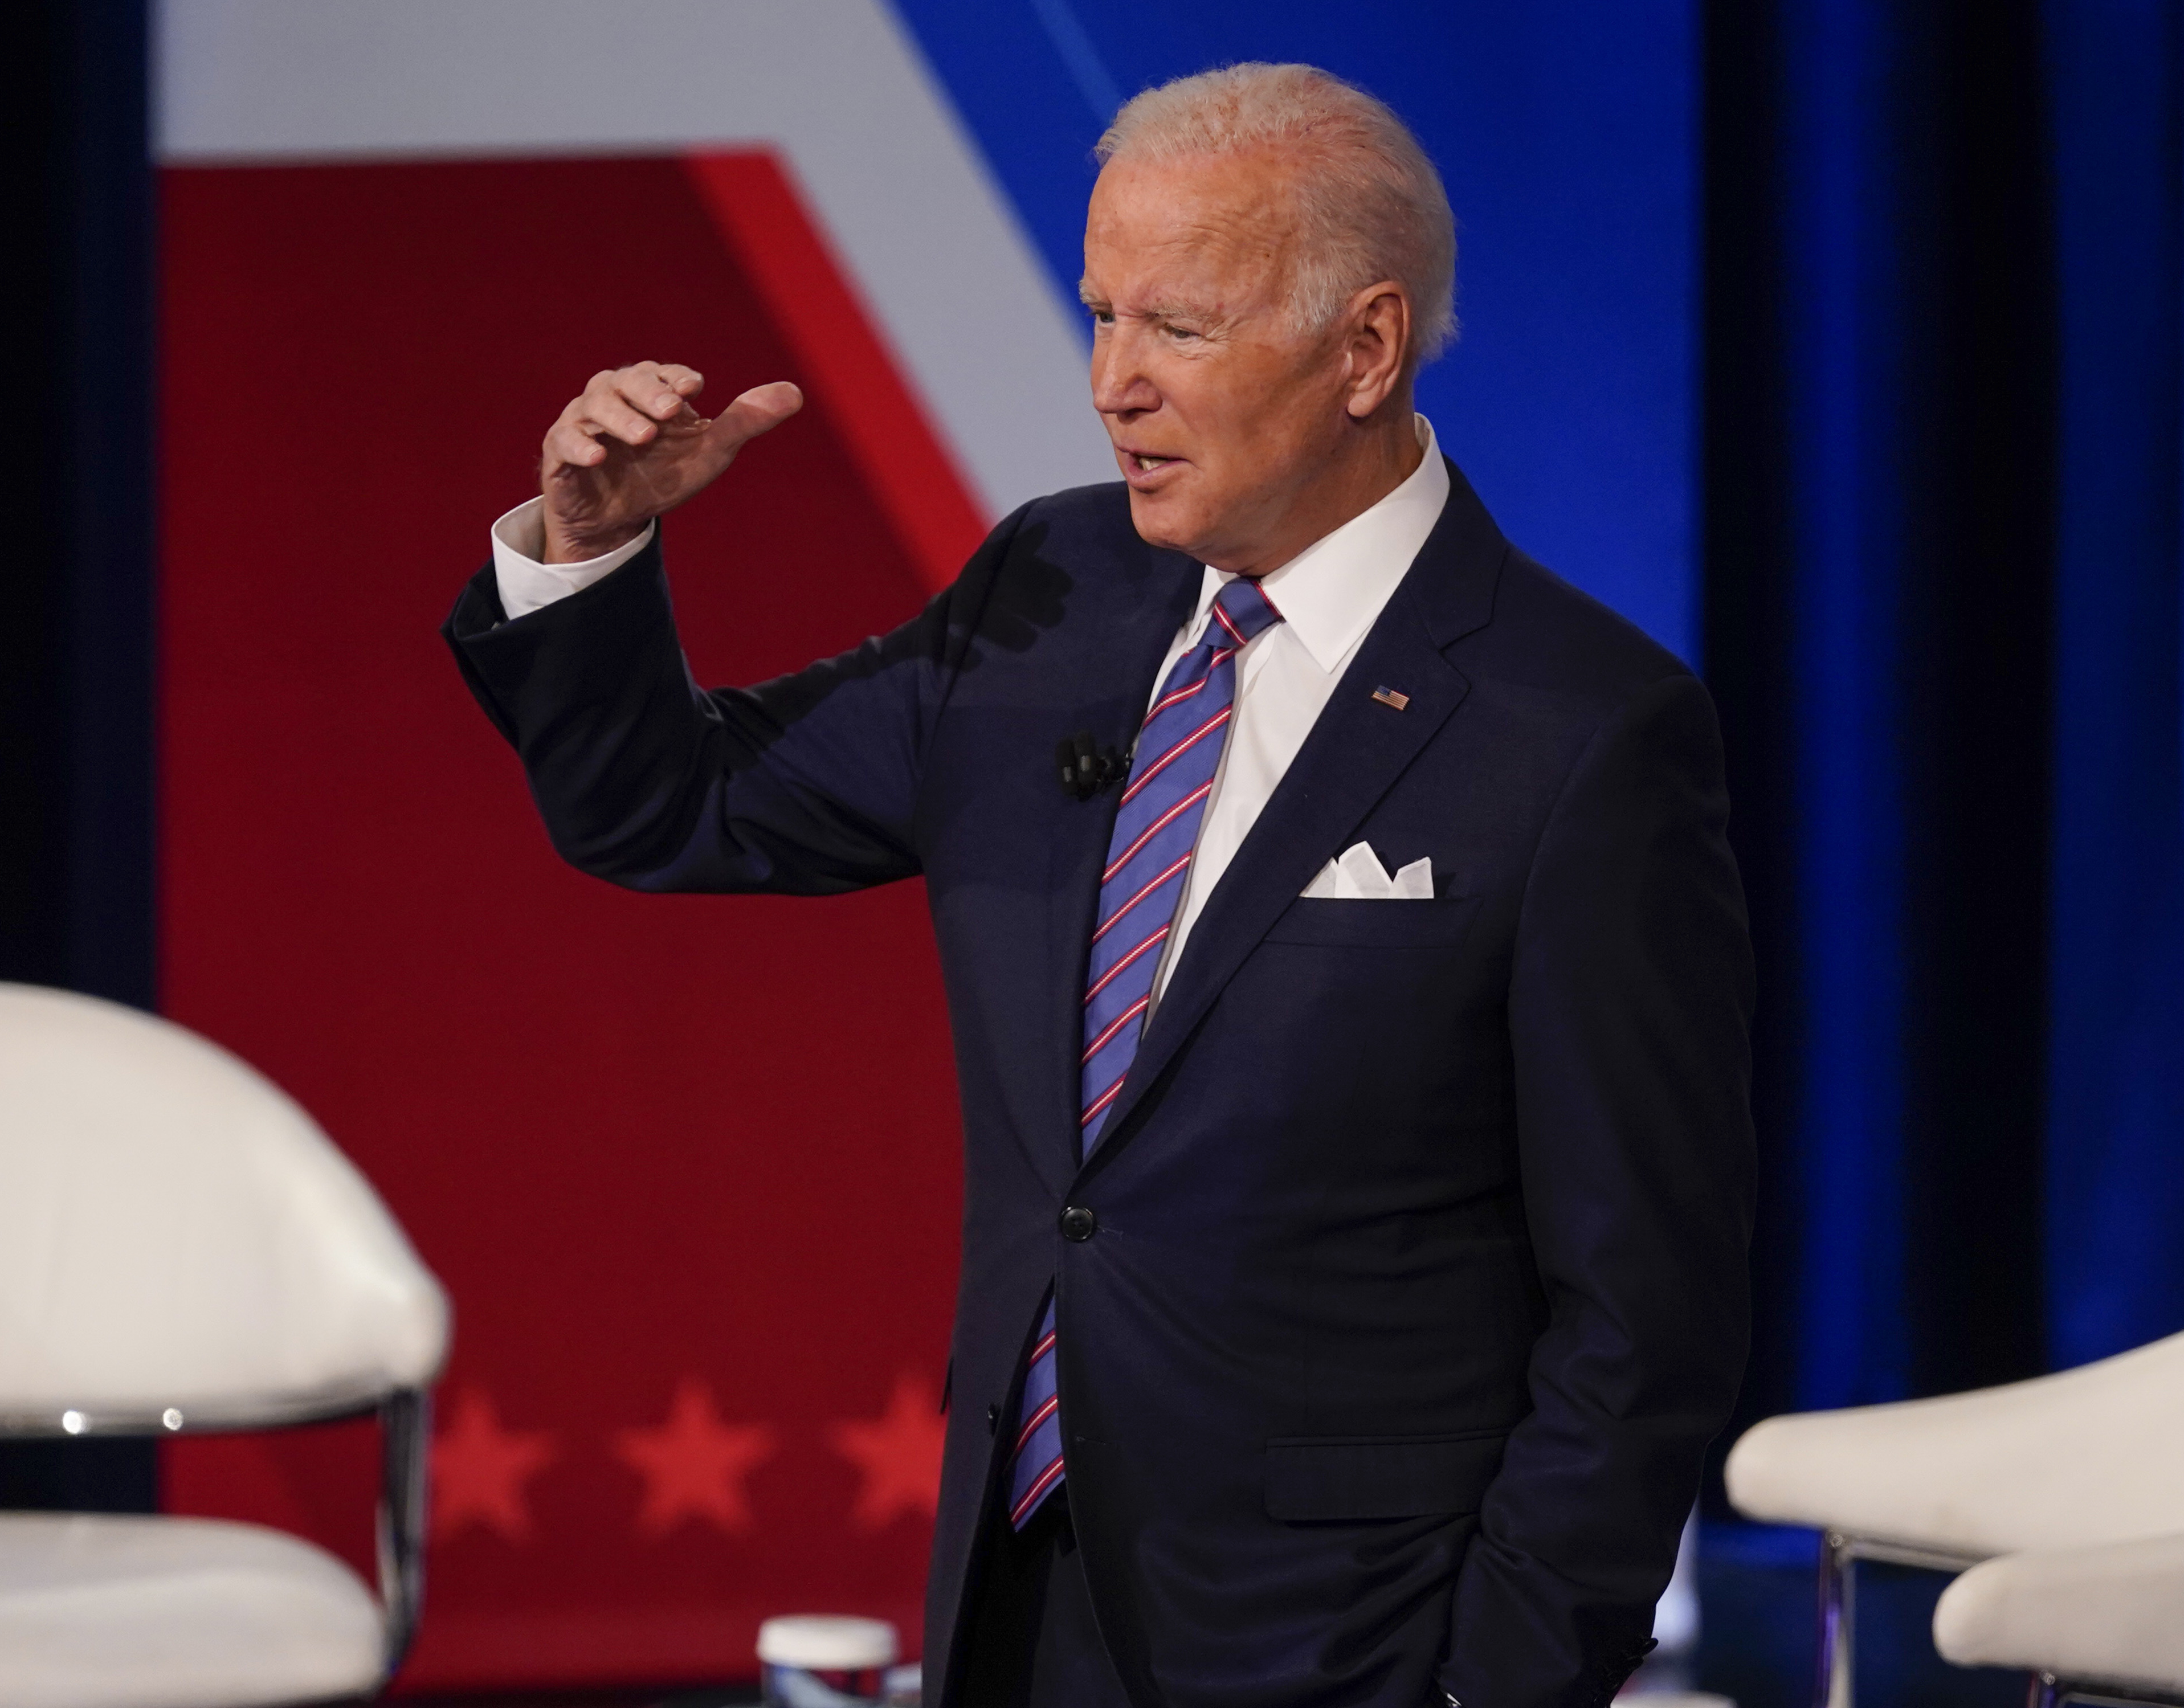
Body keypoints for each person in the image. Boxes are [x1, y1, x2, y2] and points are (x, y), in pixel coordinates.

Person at [443, 62, 1754, 1708]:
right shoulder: (1051, 589)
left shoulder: (1576, 730)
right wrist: (587, 555)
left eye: (1177, 330)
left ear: (1364, 347)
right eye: (1100, 315)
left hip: (1358, 1633)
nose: (1111, 386)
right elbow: (677, 808)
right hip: (1023, 1587)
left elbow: (1646, 1303)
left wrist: (1499, 1679)